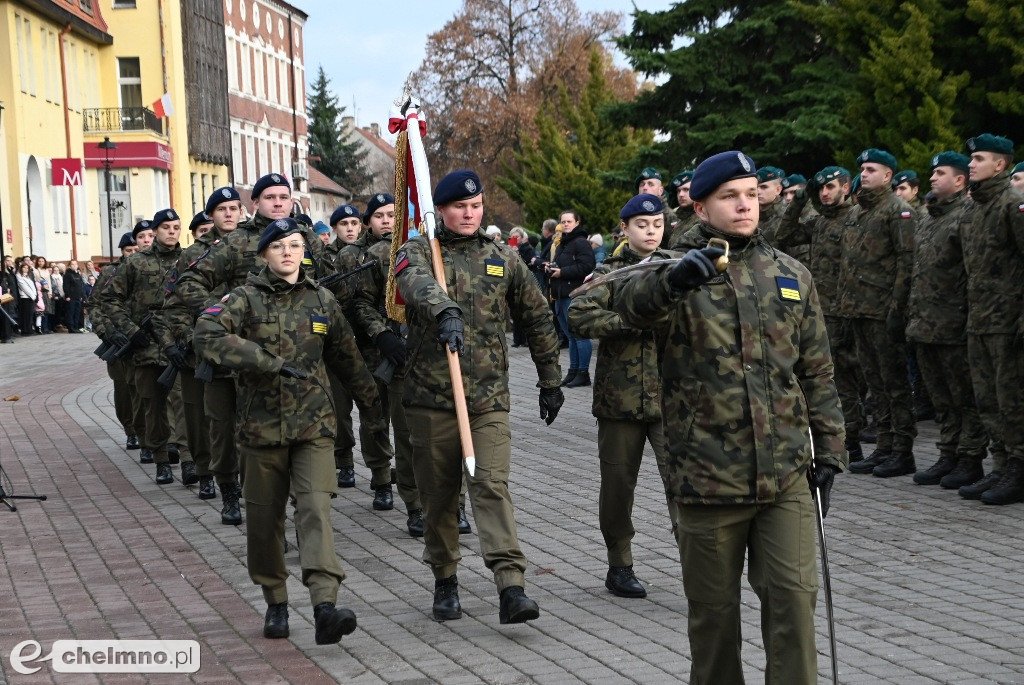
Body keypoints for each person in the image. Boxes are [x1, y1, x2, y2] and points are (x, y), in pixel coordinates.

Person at [614, 150, 846, 684]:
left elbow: (816, 371)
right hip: (708, 477)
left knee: (794, 607)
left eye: (751, 193)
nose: (745, 205)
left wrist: (832, 450)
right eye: (729, 196)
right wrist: (672, 283)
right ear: (700, 207)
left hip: (786, 474)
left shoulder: (790, 273)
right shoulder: (670, 268)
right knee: (714, 623)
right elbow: (625, 305)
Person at [194, 217, 385, 644]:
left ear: (304, 251)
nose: (287, 252)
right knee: (264, 523)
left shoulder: (322, 300)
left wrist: (373, 406)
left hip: (314, 425)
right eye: (278, 245)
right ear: (264, 254)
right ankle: (276, 600)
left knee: (315, 509)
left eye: (295, 244)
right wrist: (265, 362)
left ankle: (324, 606)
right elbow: (206, 334)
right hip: (260, 429)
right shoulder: (243, 299)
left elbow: (348, 358)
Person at [395, 169, 563, 624]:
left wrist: (550, 379)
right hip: (432, 398)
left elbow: (537, 316)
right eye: (459, 207)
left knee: (490, 485)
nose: (469, 214)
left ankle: (511, 585)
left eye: (476, 206)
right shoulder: (418, 250)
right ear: (440, 210)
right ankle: (445, 579)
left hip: (487, 398)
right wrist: (443, 309)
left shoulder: (502, 258)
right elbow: (413, 284)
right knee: (439, 497)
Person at [569, 193, 675, 599]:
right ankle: (620, 564)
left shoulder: (677, 268)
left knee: (683, 483)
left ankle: (700, 562)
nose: (650, 232)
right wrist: (627, 323)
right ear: (625, 228)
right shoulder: (610, 273)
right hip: (621, 399)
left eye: (657, 225)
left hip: (672, 397)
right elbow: (578, 315)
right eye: (642, 225)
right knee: (617, 487)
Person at [904, 151, 989, 489]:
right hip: (925, 324)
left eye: (940, 173)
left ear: (959, 180)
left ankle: (970, 459)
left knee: (965, 398)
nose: (932, 178)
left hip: (954, 324)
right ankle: (949, 454)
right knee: (941, 400)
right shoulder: (929, 218)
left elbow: (974, 272)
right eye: (933, 172)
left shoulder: (966, 216)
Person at [840, 149, 918, 478]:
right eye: (862, 168)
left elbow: (906, 263)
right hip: (859, 310)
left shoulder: (898, 210)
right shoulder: (858, 212)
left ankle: (902, 450)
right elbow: (849, 263)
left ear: (888, 175)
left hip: (884, 311)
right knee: (875, 384)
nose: (864, 173)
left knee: (894, 384)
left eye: (872, 169)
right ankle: (884, 446)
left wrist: (897, 310)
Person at [954, 134, 1024, 505]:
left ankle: (1019, 468)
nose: (971, 164)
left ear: (1000, 164)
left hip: (1007, 321)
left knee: (1011, 399)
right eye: (971, 158)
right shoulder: (973, 209)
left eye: (979, 158)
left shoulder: (1013, 205)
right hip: (978, 318)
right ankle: (1000, 465)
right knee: (987, 399)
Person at [106, 209, 189, 485]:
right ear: (155, 231)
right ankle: (161, 460)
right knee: (152, 407)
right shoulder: (136, 263)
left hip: (179, 345)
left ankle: (189, 460)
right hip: (147, 348)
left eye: (176, 227)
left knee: (184, 405)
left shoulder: (189, 260)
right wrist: (131, 331)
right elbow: (110, 300)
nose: (172, 232)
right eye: (166, 227)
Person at [335, 192, 401, 510]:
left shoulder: (409, 248)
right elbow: (349, 303)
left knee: (406, 419)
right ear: (368, 222)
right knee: (374, 417)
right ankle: (381, 478)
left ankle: (408, 476)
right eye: (379, 216)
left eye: (391, 215)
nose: (386, 221)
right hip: (368, 347)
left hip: (403, 346)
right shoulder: (351, 256)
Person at [91, 232, 143, 450]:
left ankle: (150, 433)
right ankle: (131, 431)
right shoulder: (110, 272)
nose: (133, 253)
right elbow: (94, 305)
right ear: (122, 252)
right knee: (123, 390)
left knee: (145, 389)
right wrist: (107, 332)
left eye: (135, 249)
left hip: (142, 339)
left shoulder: (146, 268)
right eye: (128, 250)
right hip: (118, 341)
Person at [326, 203, 364, 488]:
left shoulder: (367, 254)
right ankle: (345, 461)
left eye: (354, 223)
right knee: (340, 407)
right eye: (344, 224)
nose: (350, 228)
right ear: (334, 228)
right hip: (337, 339)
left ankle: (382, 465)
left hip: (366, 337)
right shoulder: (324, 256)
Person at [548, 209, 595, 388]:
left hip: (574, 294)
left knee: (580, 335)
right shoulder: (564, 242)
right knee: (571, 336)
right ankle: (573, 371)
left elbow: (587, 266)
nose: (566, 224)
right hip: (560, 294)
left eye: (569, 221)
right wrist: (550, 267)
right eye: (563, 221)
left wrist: (562, 272)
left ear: (577, 222)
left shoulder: (580, 242)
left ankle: (583, 373)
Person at [665, 170, 697, 249]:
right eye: (678, 191)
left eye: (686, 190)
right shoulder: (680, 218)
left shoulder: (704, 219)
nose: (681, 194)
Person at [755, 165, 786, 245]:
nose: (757, 192)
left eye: (764, 187)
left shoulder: (787, 217)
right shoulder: (751, 215)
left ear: (778, 190)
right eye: (755, 187)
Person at [15, 262, 38, 336]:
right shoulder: (19, 275)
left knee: (30, 314)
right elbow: (24, 287)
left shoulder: (28, 276)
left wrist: (35, 295)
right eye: (24, 268)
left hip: (31, 297)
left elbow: (33, 286)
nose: (26, 269)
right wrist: (32, 296)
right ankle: (25, 330)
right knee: (25, 314)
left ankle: (29, 329)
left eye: (27, 268)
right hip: (25, 297)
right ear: (21, 268)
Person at [63, 260, 86, 333]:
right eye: (72, 264)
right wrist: (67, 295)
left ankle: (76, 327)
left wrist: (81, 295)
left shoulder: (78, 274)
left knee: (77, 312)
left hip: (78, 296)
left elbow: (80, 286)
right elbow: (66, 286)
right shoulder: (67, 274)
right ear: (69, 266)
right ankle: (71, 327)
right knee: (71, 312)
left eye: (75, 264)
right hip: (71, 296)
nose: (74, 265)